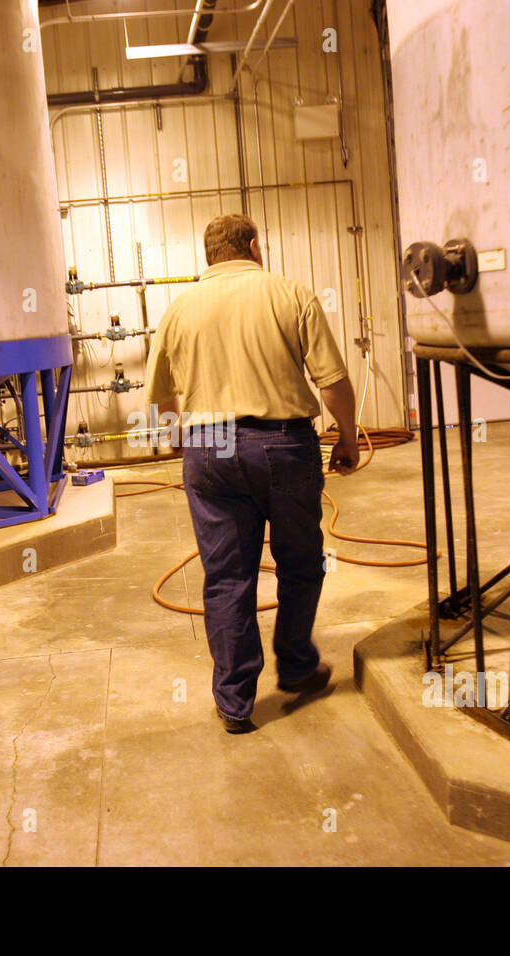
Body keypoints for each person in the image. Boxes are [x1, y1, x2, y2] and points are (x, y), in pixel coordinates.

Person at [144, 213, 359, 734]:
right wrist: (348, 439)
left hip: (208, 447)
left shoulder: (178, 309)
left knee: (226, 576)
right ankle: (297, 667)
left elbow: (160, 396)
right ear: (254, 246)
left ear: (210, 253)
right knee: (301, 563)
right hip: (283, 444)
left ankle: (236, 702)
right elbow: (332, 381)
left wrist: (187, 443)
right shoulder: (291, 295)